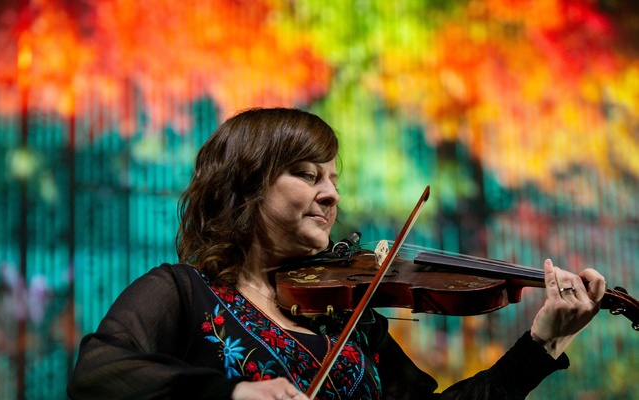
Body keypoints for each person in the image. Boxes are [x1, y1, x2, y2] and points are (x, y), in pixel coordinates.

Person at [67, 107, 606, 400]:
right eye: (306, 175)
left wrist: (543, 342)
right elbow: (97, 374)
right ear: (245, 187)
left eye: (333, 178)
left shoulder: (352, 321)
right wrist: (232, 397)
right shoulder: (184, 293)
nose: (332, 194)